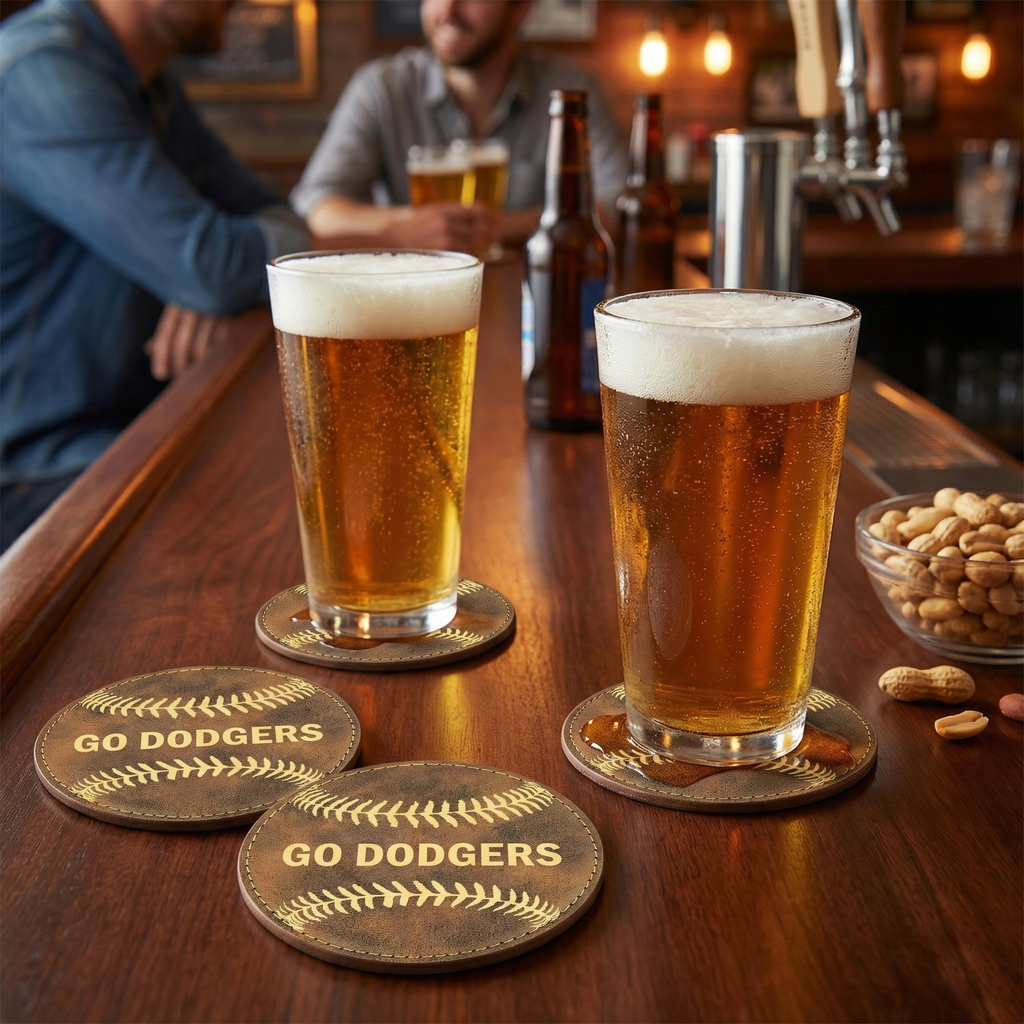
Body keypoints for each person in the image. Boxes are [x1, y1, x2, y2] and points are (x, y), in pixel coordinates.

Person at [0, 0, 309, 551]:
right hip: (36, 468)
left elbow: (278, 219)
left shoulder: (151, 85)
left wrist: (205, 281)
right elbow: (211, 266)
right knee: (283, 532)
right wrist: (204, 277)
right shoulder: (40, 71)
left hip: (139, 430)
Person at [290, 0, 627, 253]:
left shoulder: (570, 91)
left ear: (521, 9)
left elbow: (619, 201)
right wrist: (407, 226)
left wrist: (498, 227)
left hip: (533, 304)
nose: (448, 11)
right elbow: (317, 205)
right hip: (418, 300)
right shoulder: (381, 88)